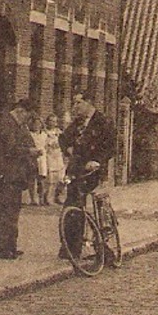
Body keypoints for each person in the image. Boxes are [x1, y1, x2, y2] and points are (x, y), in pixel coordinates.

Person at [59, 91, 117, 260]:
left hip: (94, 171)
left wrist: (98, 160)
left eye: (78, 103)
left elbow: (111, 146)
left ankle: (101, 245)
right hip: (76, 171)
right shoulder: (77, 123)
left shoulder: (103, 121)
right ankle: (70, 247)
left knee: (95, 207)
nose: (75, 107)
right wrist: (68, 149)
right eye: (74, 103)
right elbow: (63, 138)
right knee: (72, 207)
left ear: (88, 103)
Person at [0, 98, 38, 259]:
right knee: (5, 211)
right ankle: (3, 248)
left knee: (12, 211)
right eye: (27, 117)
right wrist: (29, 151)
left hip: (15, 176)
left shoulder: (17, 125)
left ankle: (10, 246)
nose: (27, 121)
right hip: (6, 175)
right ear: (20, 111)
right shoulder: (6, 124)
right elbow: (10, 149)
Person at [43, 112, 67, 204]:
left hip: (58, 156)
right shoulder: (45, 132)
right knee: (51, 179)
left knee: (61, 178)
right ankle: (48, 197)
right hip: (50, 156)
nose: (52, 123)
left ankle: (59, 196)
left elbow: (64, 144)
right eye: (51, 121)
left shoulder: (59, 133)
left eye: (54, 121)